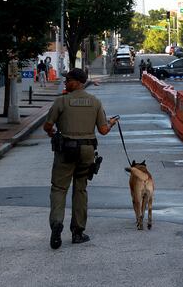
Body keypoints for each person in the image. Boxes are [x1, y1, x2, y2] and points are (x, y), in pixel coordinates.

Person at [43, 68, 118, 249]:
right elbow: (103, 131)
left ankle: (56, 224)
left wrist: (52, 132)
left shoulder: (61, 101)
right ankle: (77, 232)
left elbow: (48, 125)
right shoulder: (95, 102)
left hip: (66, 150)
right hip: (87, 150)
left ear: (78, 82)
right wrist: (111, 123)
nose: (65, 82)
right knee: (80, 189)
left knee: (59, 188)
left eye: (68, 80)